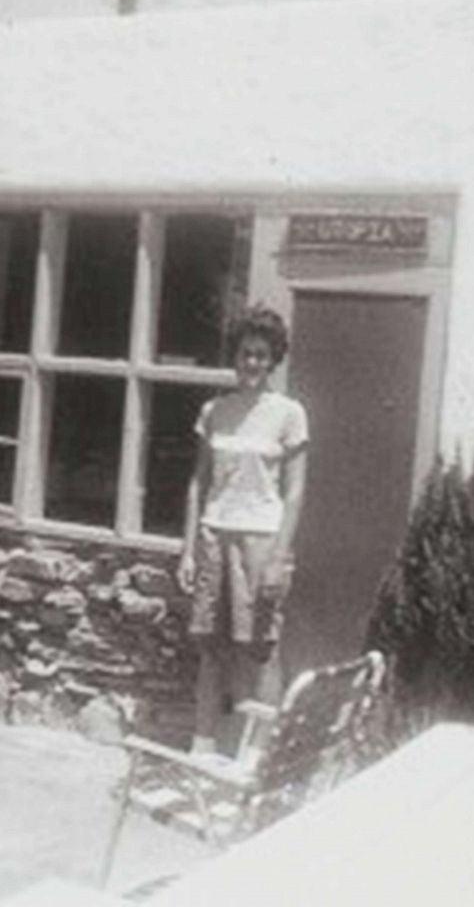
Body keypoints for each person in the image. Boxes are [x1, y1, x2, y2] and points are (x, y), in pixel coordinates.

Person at [177, 304, 308, 755]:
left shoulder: (289, 414)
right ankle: (203, 745)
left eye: (260, 354)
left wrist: (277, 557)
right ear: (234, 357)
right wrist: (188, 550)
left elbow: (294, 492)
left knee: (261, 648)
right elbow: (199, 481)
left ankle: (258, 754)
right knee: (211, 647)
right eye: (244, 353)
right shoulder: (214, 410)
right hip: (215, 534)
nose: (251, 362)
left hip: (261, 539)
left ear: (273, 360)